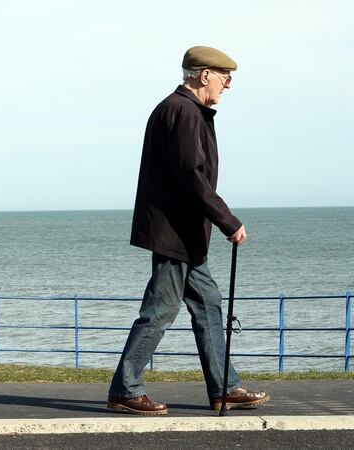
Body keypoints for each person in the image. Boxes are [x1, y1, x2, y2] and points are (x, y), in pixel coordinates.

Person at [106, 46, 270, 415]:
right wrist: (228, 220)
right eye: (224, 76)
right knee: (161, 310)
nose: (228, 84)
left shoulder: (186, 110)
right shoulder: (182, 111)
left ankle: (224, 388)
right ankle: (125, 389)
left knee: (209, 306)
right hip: (175, 234)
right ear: (202, 74)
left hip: (185, 235)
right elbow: (190, 176)